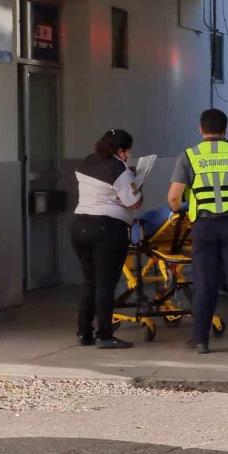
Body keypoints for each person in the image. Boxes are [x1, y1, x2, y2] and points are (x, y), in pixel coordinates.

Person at [167, 109, 228, 355]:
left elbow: (173, 197)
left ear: (201, 129)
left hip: (204, 227)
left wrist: (181, 208)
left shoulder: (188, 156)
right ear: (225, 130)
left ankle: (200, 341)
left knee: (204, 284)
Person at [71, 129, 142, 349]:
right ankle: (104, 335)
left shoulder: (87, 162)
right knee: (106, 284)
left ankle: (84, 333)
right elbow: (134, 203)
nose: (128, 155)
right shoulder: (118, 169)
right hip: (107, 229)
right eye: (127, 151)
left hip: (79, 226)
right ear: (121, 151)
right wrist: (136, 182)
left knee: (90, 281)